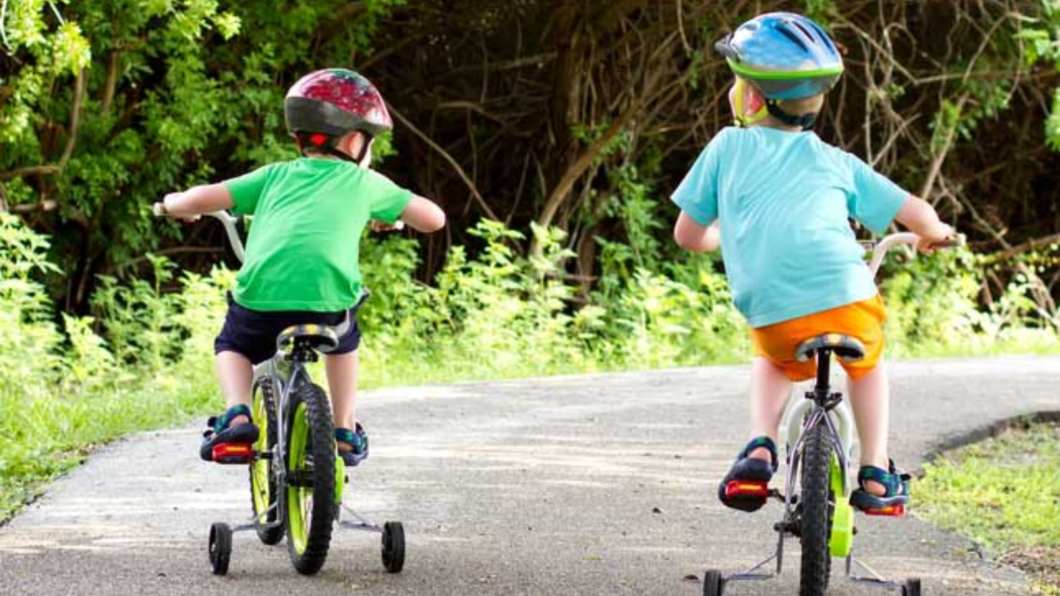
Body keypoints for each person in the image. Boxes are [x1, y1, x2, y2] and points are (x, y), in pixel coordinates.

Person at [670, 13, 954, 514]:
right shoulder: (836, 162)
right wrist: (934, 234)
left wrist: (723, 236)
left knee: (772, 360)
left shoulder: (726, 147)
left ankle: (760, 446)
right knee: (865, 367)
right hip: (848, 301)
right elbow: (918, 213)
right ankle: (875, 470)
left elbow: (688, 236)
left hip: (773, 312)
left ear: (752, 99)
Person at [156, 68, 445, 467]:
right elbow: (434, 219)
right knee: (344, 343)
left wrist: (175, 203)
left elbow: (205, 197)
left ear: (300, 137)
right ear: (353, 139)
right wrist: (392, 213)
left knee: (233, 345)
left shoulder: (273, 176)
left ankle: (237, 415)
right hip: (326, 305)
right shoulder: (366, 184)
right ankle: (343, 430)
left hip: (261, 300)